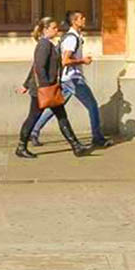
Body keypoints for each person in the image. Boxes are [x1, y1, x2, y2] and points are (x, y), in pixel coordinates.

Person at [29, 10, 113, 148]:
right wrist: (83, 61)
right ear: (74, 21)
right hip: (72, 78)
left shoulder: (73, 36)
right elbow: (65, 60)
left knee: (54, 106)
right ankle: (97, 138)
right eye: (81, 18)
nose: (84, 19)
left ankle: (34, 131)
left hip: (66, 78)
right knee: (92, 106)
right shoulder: (71, 38)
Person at [15, 16, 92, 159]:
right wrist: (45, 87)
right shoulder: (44, 45)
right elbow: (38, 68)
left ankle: (76, 146)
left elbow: (34, 67)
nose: (57, 30)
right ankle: (21, 147)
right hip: (43, 90)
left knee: (62, 116)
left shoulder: (49, 44)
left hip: (50, 87)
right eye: (54, 28)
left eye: (57, 28)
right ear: (45, 29)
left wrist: (26, 85)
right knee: (33, 117)